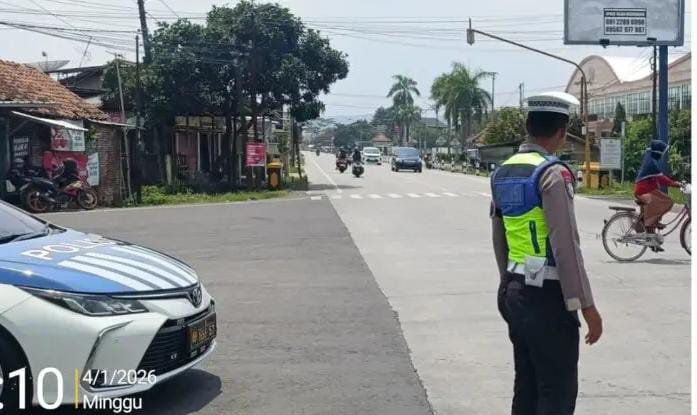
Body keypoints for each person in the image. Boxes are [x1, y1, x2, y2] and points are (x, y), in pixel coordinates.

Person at [490, 92, 603, 415]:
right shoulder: (553, 173)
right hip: (548, 298)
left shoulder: (502, 172)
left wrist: (506, 282)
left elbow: (499, 237)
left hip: (514, 291)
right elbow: (565, 246)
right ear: (561, 133)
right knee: (557, 392)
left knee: (526, 387)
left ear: (528, 126)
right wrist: (586, 306)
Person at [634, 140, 681, 251]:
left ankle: (652, 236)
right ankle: (650, 223)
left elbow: (660, 178)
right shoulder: (651, 164)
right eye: (662, 153)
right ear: (658, 152)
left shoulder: (650, 158)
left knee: (663, 203)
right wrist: (675, 184)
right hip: (643, 191)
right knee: (663, 202)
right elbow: (661, 179)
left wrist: (674, 183)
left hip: (648, 189)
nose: (662, 156)